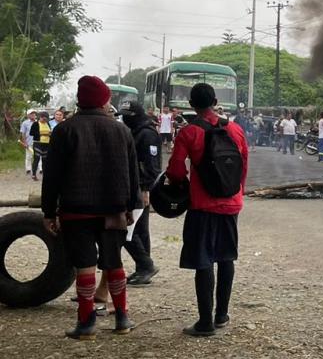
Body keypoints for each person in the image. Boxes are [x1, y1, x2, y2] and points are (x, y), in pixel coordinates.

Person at [41, 77, 139, 339]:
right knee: (114, 262)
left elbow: (52, 176)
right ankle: (122, 318)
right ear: (104, 100)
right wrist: (132, 206)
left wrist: (49, 211)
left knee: (85, 265)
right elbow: (133, 173)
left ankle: (86, 323)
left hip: (76, 210)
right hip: (113, 209)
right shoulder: (122, 131)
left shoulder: (65, 130)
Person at [166, 83, 249, 336]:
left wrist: (181, 186)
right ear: (214, 101)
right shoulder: (235, 130)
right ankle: (221, 314)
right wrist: (237, 193)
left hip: (202, 206)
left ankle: (205, 323)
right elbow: (243, 166)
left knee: (204, 260)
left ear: (191, 105)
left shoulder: (189, 133)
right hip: (231, 204)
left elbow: (176, 170)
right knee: (226, 257)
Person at [120, 102, 162, 285]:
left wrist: (145, 189)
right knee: (141, 231)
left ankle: (146, 265)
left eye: (127, 114)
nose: (124, 118)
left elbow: (152, 167)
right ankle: (143, 269)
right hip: (132, 186)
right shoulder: (134, 131)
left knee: (125, 230)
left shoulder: (147, 134)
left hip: (139, 189)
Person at [30, 111, 53, 180]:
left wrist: (50, 134)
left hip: (46, 144)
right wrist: (42, 134)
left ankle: (45, 174)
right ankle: (34, 174)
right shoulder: (36, 124)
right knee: (36, 159)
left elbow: (50, 132)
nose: (45, 120)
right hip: (38, 143)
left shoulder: (48, 124)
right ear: (40, 117)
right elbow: (31, 133)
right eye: (44, 119)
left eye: (46, 119)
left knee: (45, 160)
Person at [19, 110, 36, 176]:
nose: (33, 115)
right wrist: (24, 142)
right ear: (28, 115)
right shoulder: (25, 123)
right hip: (29, 142)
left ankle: (40, 169)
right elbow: (23, 133)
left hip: (37, 142)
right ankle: (28, 169)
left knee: (38, 156)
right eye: (31, 114)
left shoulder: (38, 122)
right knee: (29, 156)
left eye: (34, 114)